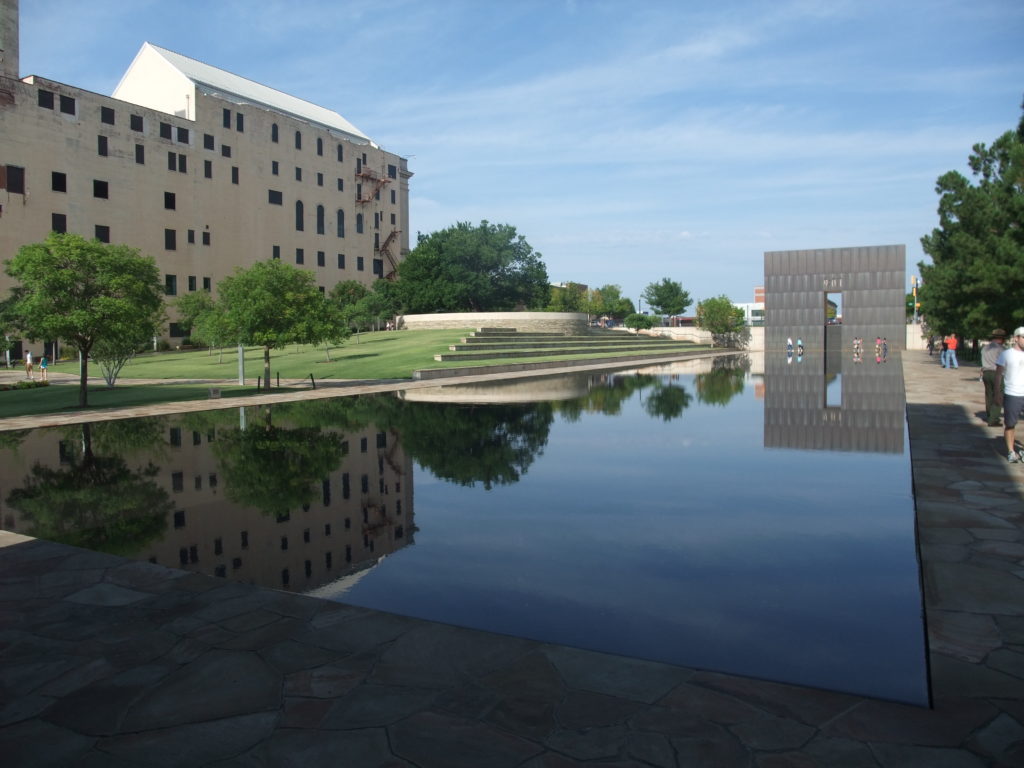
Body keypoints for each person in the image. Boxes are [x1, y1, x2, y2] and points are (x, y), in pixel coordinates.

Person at [995, 327, 1024, 463]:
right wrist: (997, 393)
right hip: (1012, 393)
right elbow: (998, 375)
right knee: (1010, 424)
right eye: (1023, 337)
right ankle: (1011, 451)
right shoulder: (1006, 354)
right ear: (1016, 338)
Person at [981, 329, 1007, 426]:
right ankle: (994, 419)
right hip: (997, 374)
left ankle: (989, 415)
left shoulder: (985, 348)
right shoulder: (1001, 349)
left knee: (989, 395)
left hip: (986, 372)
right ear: (1001, 339)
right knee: (998, 396)